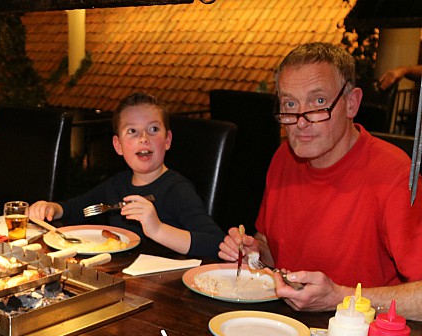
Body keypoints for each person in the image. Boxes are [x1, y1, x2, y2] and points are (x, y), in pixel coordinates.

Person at [218, 42, 422, 319]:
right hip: (282, 325)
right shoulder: (284, 157)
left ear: (352, 103)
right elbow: (268, 242)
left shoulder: (396, 175)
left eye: (318, 102)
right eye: (290, 104)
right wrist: (255, 251)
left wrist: (340, 298)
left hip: (358, 335)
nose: (301, 121)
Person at [29, 92, 224, 258]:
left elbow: (216, 244)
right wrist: (52, 208)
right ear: (118, 145)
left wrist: (158, 229)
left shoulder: (177, 189)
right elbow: (79, 208)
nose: (144, 138)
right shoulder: (117, 185)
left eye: (153, 129)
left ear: (167, 140)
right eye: (132, 131)